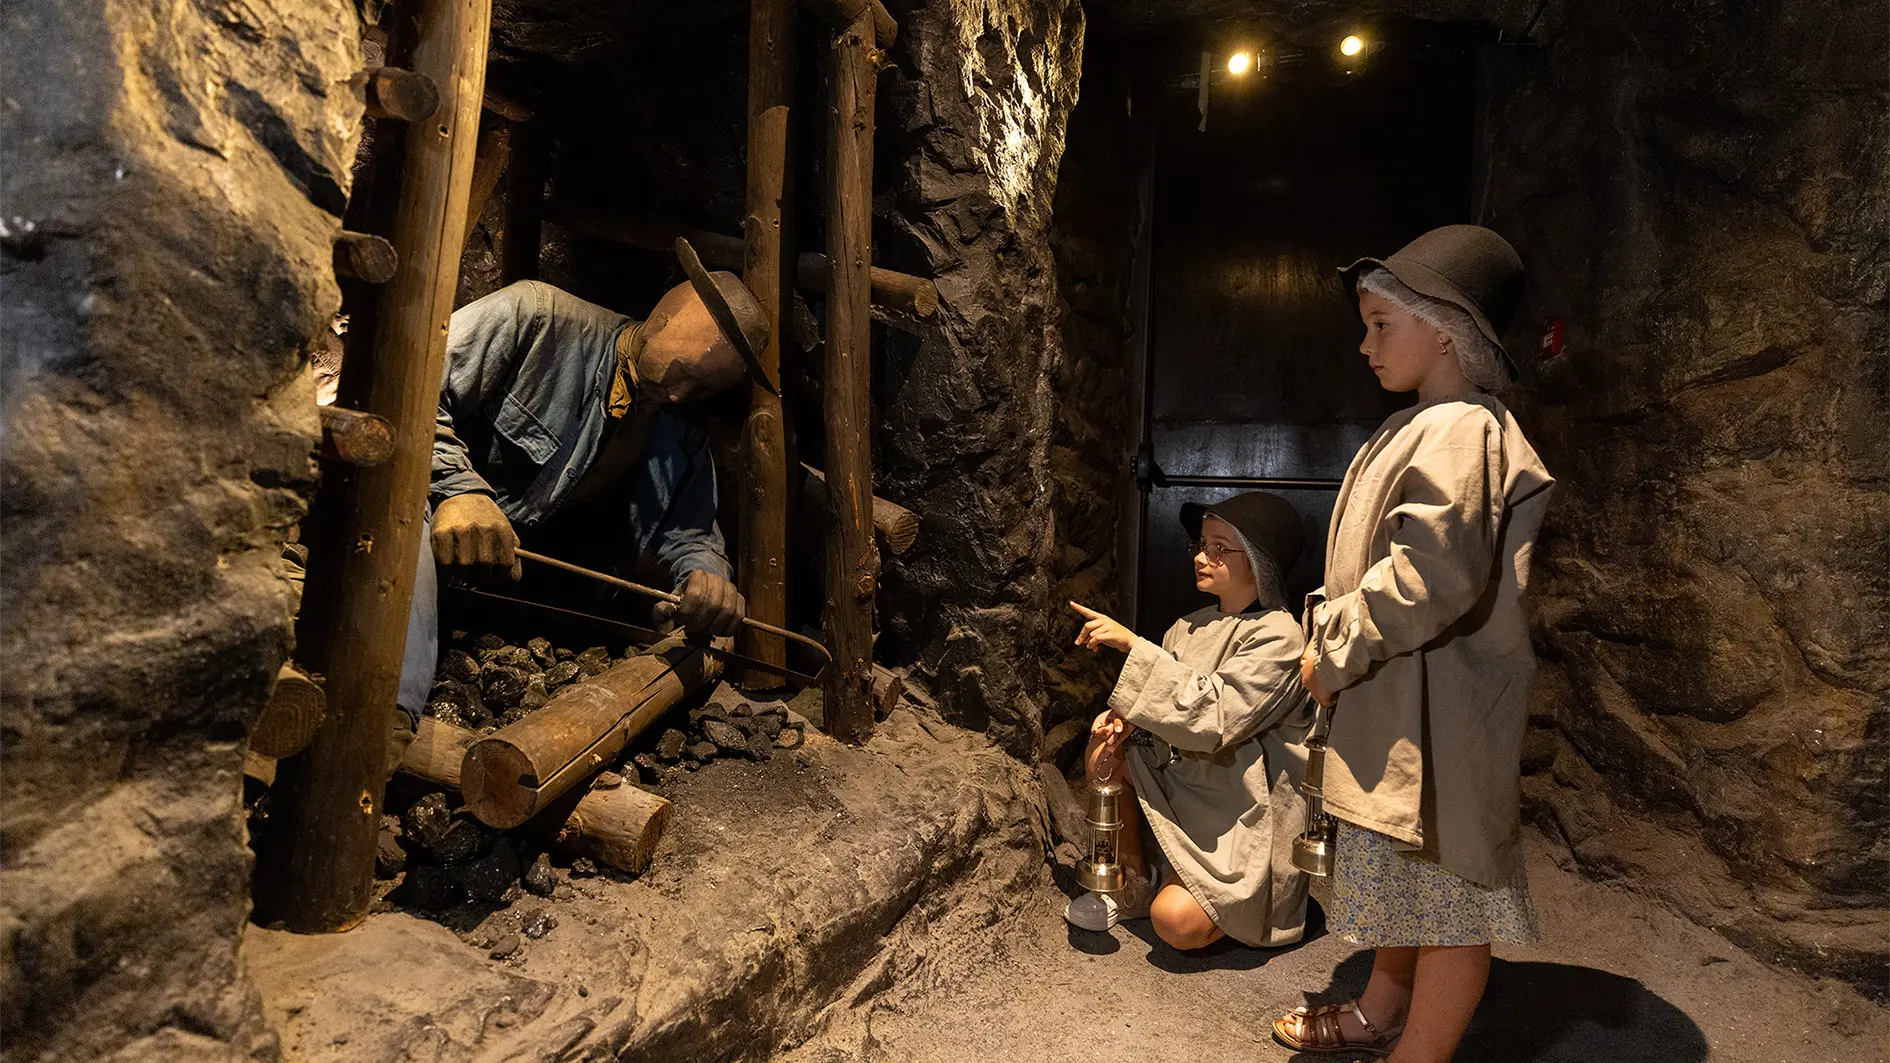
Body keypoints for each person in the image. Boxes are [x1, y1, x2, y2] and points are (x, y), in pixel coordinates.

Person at [1271, 225, 1555, 1063]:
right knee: (1407, 877)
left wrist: (1338, 646)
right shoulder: (1426, 421)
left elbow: (1434, 574)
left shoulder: (1464, 427)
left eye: (1379, 324)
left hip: (1444, 710)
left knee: (1451, 896)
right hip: (1403, 698)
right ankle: (1380, 1008)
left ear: (1445, 327)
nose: (1364, 345)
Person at [395, 239, 776, 729]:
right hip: (438, 547)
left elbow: (692, 531)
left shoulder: (681, 423)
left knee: (661, 620)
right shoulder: (533, 317)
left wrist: (708, 577)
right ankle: (389, 717)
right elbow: (412, 392)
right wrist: (458, 489)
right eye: (684, 373)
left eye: (701, 389)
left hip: (526, 586)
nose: (682, 393)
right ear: (659, 320)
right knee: (404, 516)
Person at [1065, 491, 1315, 950]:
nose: (1203, 556)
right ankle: (1134, 880)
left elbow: (1213, 716)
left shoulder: (1280, 636)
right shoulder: (1187, 626)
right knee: (1106, 748)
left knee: (1176, 924)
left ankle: (1247, 901)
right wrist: (1126, 719)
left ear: (1261, 560)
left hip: (1239, 813)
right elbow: (1164, 704)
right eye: (1201, 545)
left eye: (1220, 547)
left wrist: (1131, 646)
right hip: (1184, 782)